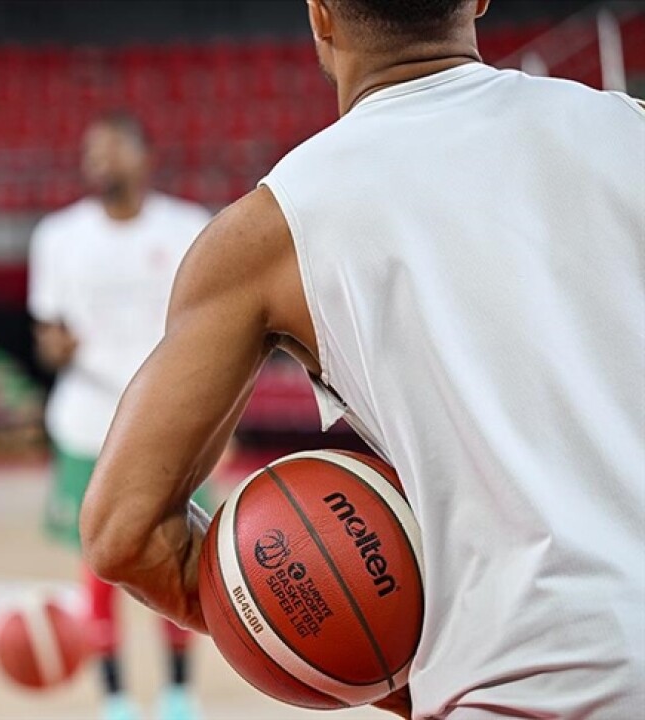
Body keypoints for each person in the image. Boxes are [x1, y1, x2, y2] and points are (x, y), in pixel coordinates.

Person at [79, 0, 645, 718]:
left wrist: (377, 668)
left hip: (523, 689)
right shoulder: (628, 129)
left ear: (319, 14)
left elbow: (125, 535)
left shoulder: (265, 233)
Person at [28, 111, 214, 720]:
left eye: (113, 148)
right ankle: (114, 698)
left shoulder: (189, 227)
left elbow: (213, 332)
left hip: (173, 423)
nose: (100, 160)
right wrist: (55, 347)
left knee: (181, 558)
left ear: (145, 156)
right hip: (89, 421)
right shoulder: (57, 237)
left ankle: (179, 692)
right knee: (100, 563)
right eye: (92, 151)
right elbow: (47, 336)